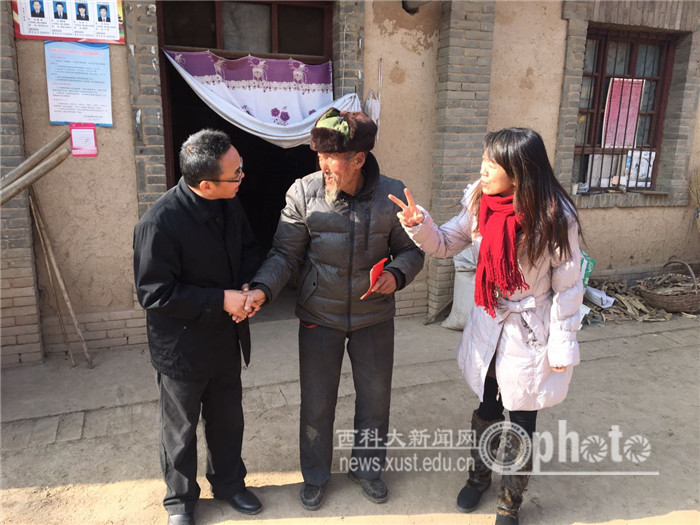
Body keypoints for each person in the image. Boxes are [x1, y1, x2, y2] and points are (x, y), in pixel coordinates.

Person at [389, 128, 584, 525]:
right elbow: (445, 242)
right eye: (484, 159)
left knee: (523, 415)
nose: (483, 169)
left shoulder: (555, 217)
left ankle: (509, 502)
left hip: (530, 328)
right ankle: (478, 477)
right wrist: (418, 222)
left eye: (493, 163)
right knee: (488, 405)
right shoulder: (480, 202)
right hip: (490, 319)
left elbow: (568, 287)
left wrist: (563, 345)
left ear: (520, 170)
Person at [244, 108, 424, 510]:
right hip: (319, 316)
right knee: (317, 402)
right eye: (320, 156)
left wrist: (396, 274)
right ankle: (315, 476)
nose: (323, 165)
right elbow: (284, 254)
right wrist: (262, 289)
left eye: (332, 157)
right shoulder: (303, 193)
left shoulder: (391, 195)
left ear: (359, 159)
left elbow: (411, 251)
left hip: (374, 316)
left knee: (375, 400)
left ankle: (368, 470)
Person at [133, 129, 263, 525]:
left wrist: (247, 287)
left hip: (225, 338)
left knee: (228, 420)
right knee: (180, 429)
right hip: (182, 347)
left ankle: (229, 484)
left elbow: (248, 250)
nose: (242, 177)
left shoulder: (230, 203)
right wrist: (220, 299)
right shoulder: (159, 223)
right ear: (205, 184)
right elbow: (154, 293)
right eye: (235, 174)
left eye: (241, 168)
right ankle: (180, 502)